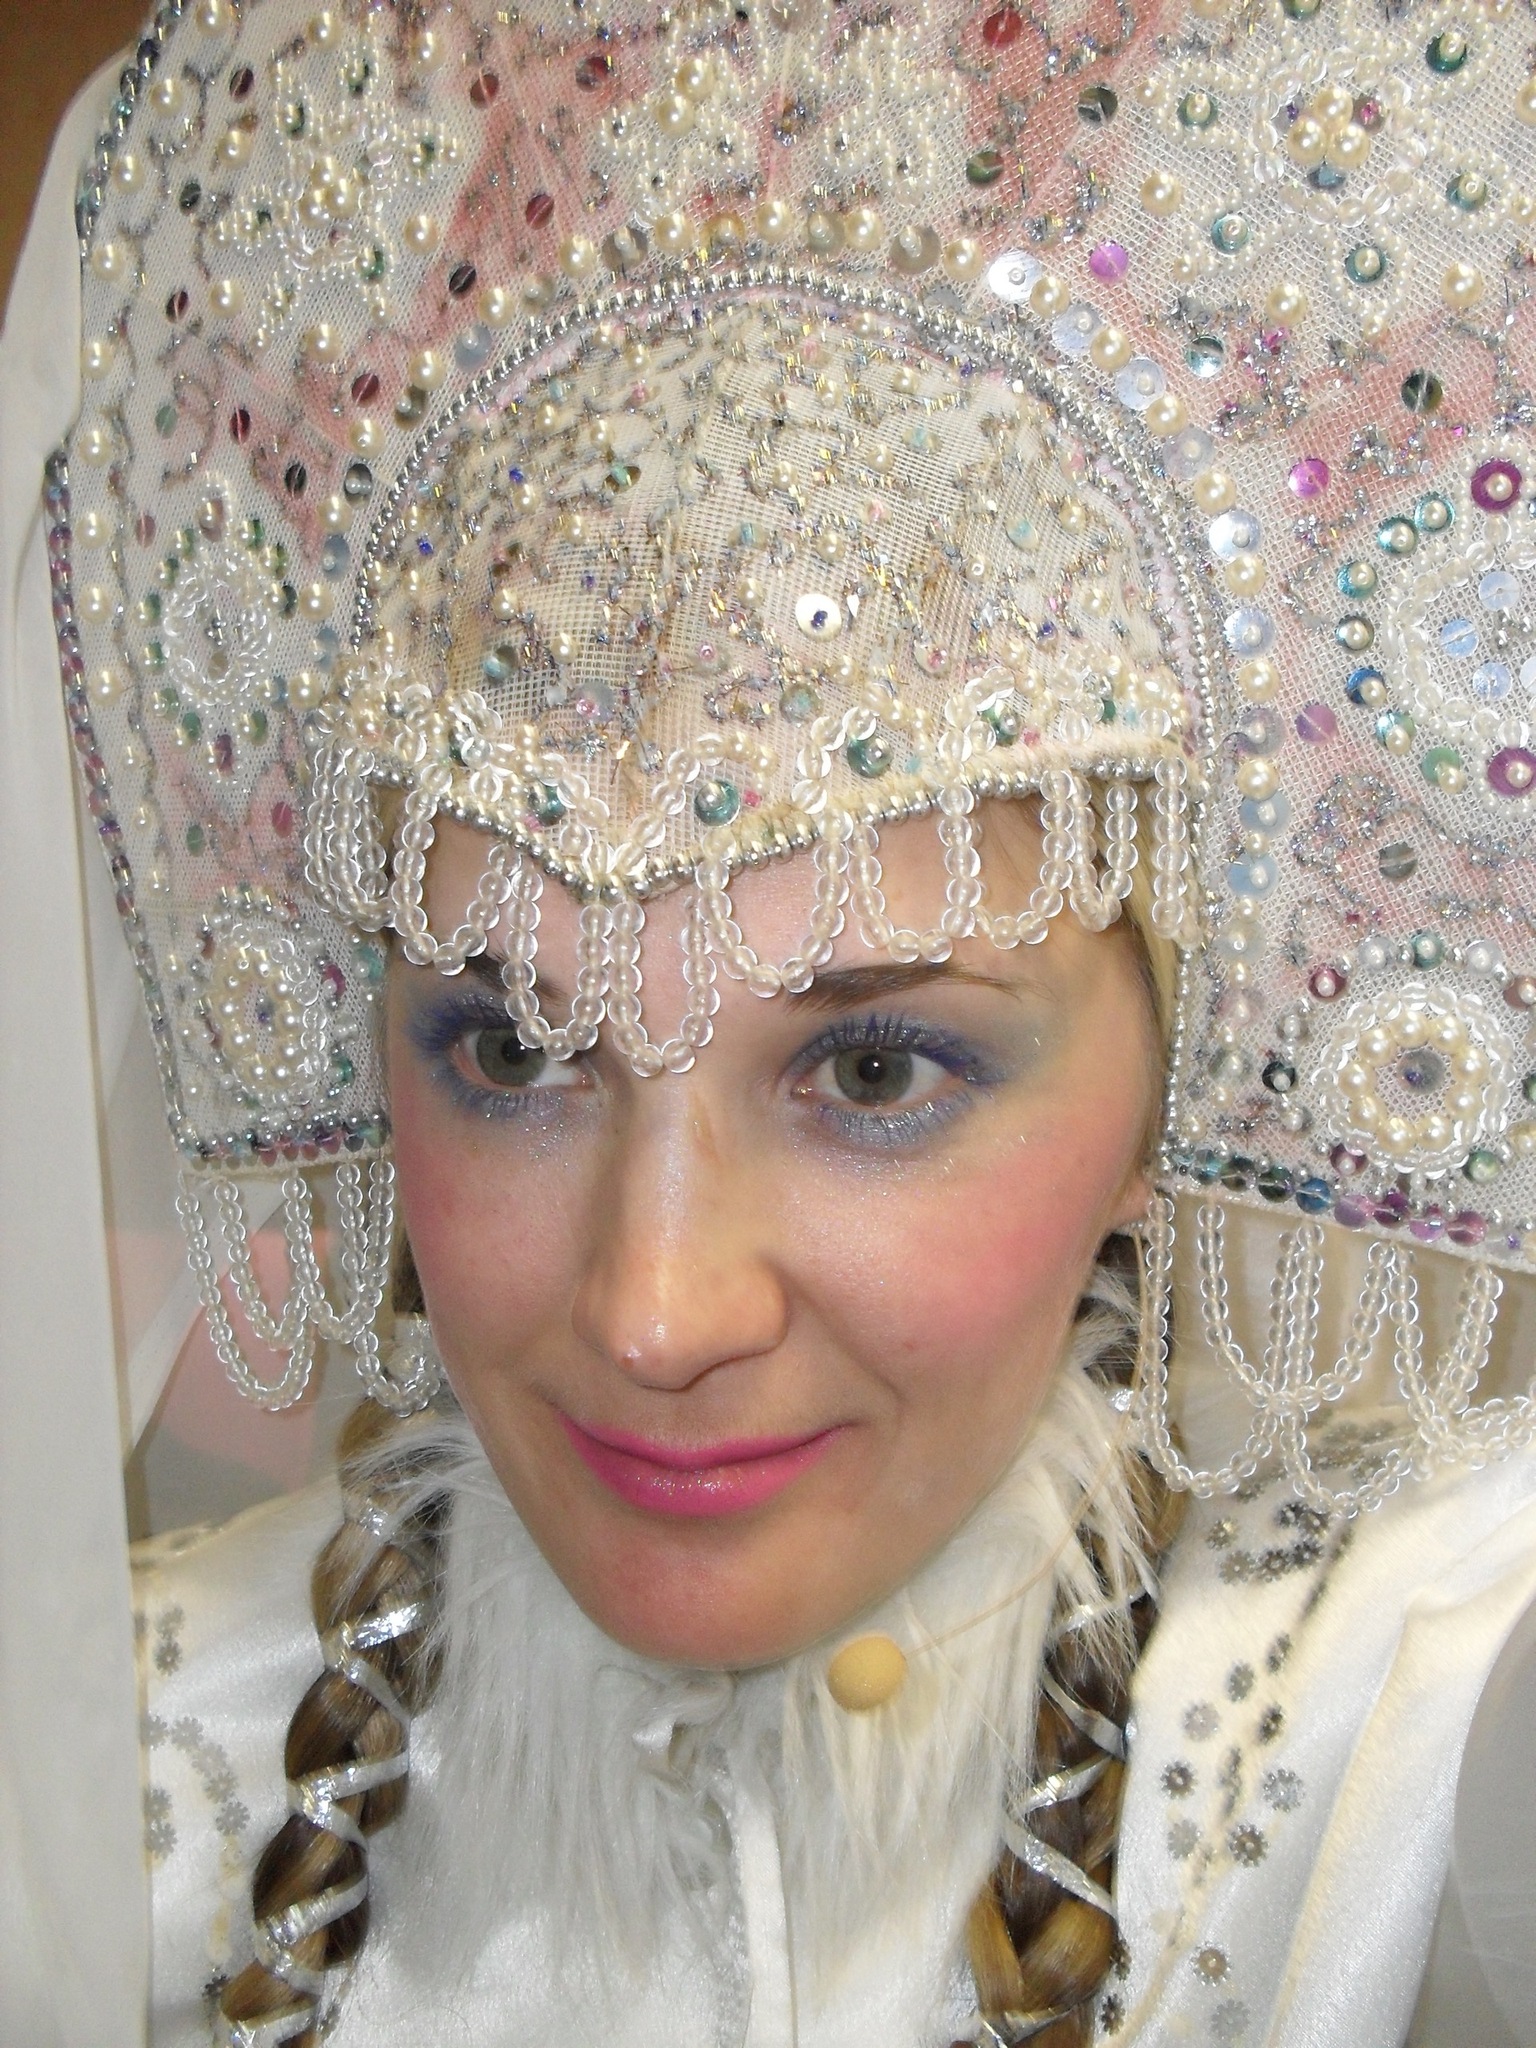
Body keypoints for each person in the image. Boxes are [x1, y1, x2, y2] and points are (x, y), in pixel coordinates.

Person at [7, 0, 1536, 2043]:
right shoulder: (101, 1769)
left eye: (876, 1072)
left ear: (1176, 1088)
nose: (655, 1313)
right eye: (512, 1053)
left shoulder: (1402, 1748)